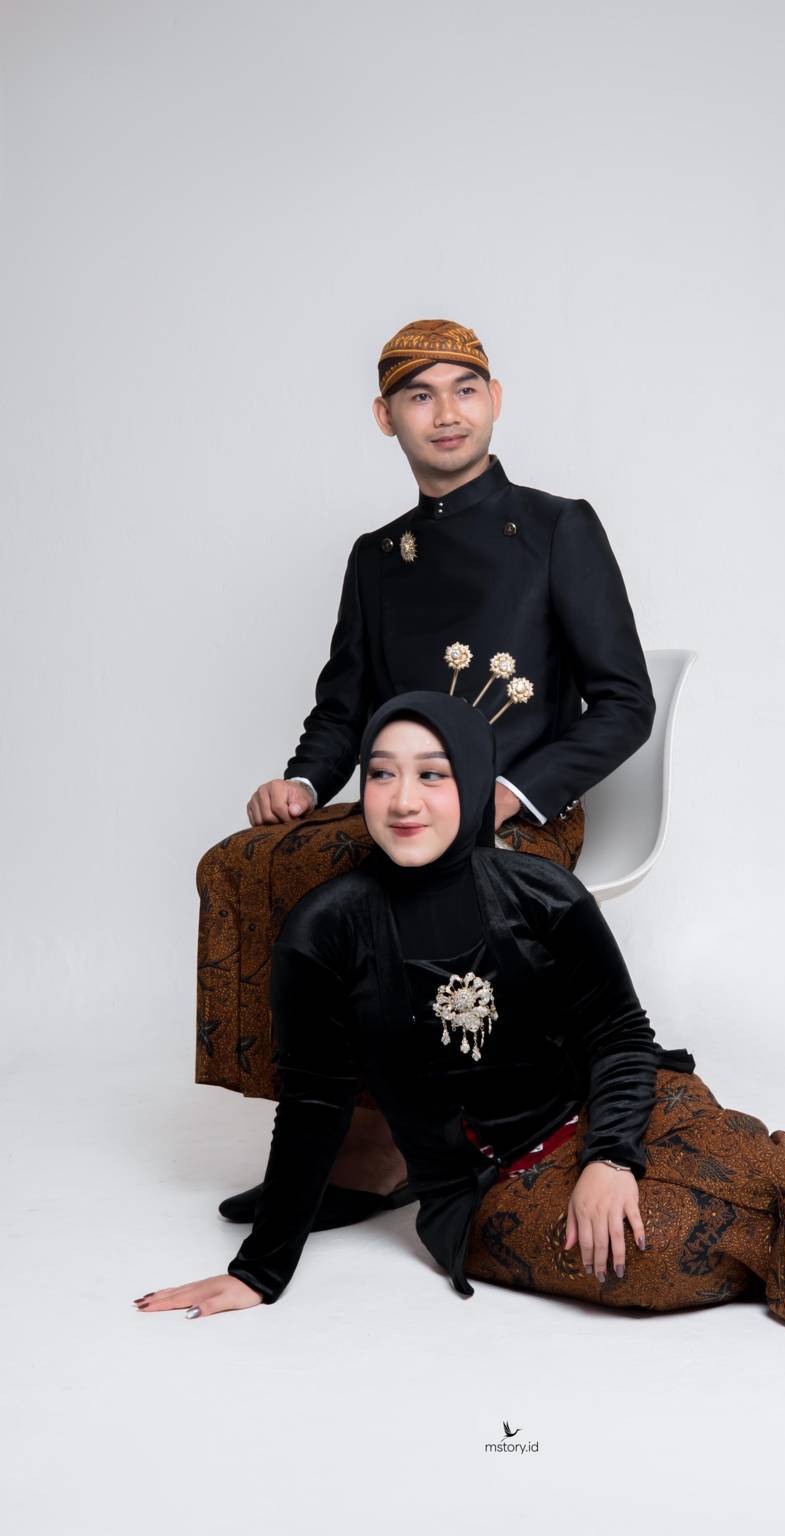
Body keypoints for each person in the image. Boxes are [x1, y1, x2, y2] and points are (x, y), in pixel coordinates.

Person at [142, 693, 785, 1326]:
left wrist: (611, 1157)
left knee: (721, 1138)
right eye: (381, 775)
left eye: (432, 775)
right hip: (487, 1188)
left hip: (603, 1106)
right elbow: (314, 1105)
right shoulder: (323, 931)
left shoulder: (539, 890)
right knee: (651, 1252)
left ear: (473, 781)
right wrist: (259, 1273)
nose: (403, 800)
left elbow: (622, 1036)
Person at [196, 317, 656, 1211]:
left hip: (522, 810)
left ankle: (389, 1144)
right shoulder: (375, 558)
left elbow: (624, 703)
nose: (446, 413)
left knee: (380, 881)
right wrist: (302, 781)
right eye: (419, 395)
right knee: (243, 863)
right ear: (386, 417)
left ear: (494, 401)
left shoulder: (559, 527)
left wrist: (510, 795)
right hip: (405, 803)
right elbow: (344, 709)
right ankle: (335, 1118)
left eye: (464, 389)